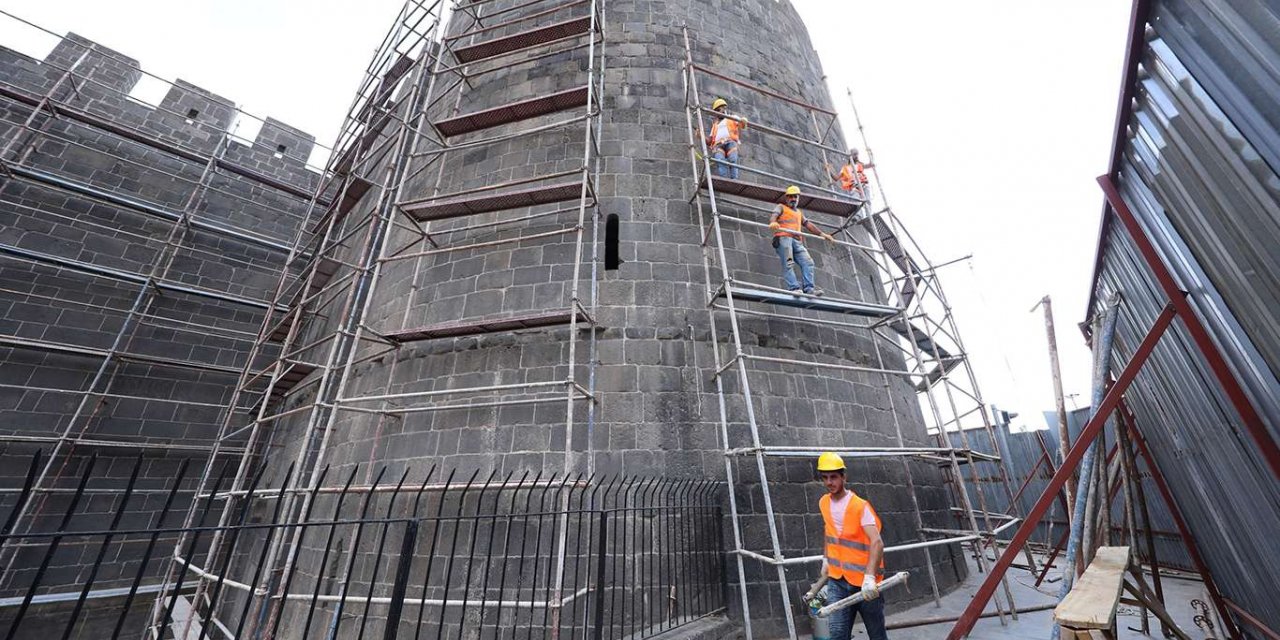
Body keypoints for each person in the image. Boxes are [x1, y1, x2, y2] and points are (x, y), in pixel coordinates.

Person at [816, 451, 887, 640]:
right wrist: (825, 559)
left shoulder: (860, 506)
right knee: (838, 635)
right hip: (837, 580)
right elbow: (829, 532)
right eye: (825, 478)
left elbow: (877, 542)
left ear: (843, 477)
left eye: (834, 477)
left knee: (877, 634)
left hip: (865, 582)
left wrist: (870, 577)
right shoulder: (823, 503)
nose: (829, 482)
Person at [769, 185, 834, 296]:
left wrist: (822, 234)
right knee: (788, 263)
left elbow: (808, 224)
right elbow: (774, 215)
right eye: (790, 197)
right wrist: (773, 222)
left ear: (798, 199)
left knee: (808, 262)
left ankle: (809, 289)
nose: (793, 199)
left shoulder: (799, 213)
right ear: (786, 198)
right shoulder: (781, 207)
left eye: (795, 197)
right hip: (784, 238)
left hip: (796, 241)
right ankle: (794, 288)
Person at [706, 98, 747, 179]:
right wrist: (701, 135)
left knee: (732, 160)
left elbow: (742, 125)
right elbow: (709, 141)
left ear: (724, 108)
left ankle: (734, 180)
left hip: (730, 142)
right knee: (720, 161)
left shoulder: (732, 118)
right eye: (716, 111)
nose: (718, 112)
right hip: (718, 145)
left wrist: (743, 121)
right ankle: (724, 180)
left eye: (719, 109)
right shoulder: (715, 126)